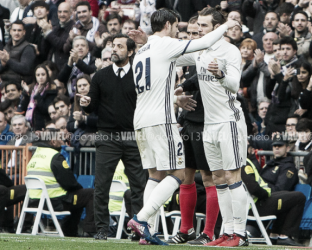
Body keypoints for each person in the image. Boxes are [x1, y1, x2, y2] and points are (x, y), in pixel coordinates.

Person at [126, 7, 242, 246]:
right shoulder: (169, 45)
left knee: (155, 175)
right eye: (180, 26)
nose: (192, 31)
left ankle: (147, 231)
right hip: (162, 119)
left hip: (141, 120)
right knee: (179, 174)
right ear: (168, 25)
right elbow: (206, 40)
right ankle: (142, 219)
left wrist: (177, 97)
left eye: (203, 25)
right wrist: (227, 24)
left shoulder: (143, 50)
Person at [173, 6, 248, 247]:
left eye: (204, 26)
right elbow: (174, 55)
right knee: (218, 178)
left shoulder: (230, 51)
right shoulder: (200, 51)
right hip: (210, 125)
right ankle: (226, 232)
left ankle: (241, 234)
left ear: (217, 28)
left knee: (232, 176)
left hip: (229, 122)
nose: (198, 30)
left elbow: (235, 84)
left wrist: (220, 75)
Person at [77, 34, 147, 241]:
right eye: (113, 46)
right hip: (107, 136)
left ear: (131, 51)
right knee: (102, 185)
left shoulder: (139, 75)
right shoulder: (100, 76)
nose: (114, 49)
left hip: (133, 136)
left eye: (119, 46)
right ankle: (101, 229)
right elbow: (92, 107)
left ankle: (138, 228)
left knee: (138, 186)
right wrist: (86, 103)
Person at [26, 130, 97, 237]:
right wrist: (79, 188)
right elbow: (69, 182)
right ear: (53, 142)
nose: (63, 141)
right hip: (55, 202)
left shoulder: (35, 155)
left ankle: (70, 231)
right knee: (90, 194)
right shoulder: (55, 156)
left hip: (34, 202)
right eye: (60, 139)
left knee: (78, 197)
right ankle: (90, 230)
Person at [241, 151, 305, 246]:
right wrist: (265, 194)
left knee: (287, 197)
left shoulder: (236, 162)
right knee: (299, 197)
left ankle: (274, 235)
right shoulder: (243, 162)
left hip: (251, 205)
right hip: (256, 205)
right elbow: (253, 188)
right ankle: (285, 235)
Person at [18, 64, 58, 131]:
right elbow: (23, 107)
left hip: (44, 124)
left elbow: (45, 109)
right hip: (31, 124)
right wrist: (27, 93)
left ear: (47, 75)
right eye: (38, 75)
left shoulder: (52, 89)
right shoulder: (31, 88)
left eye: (43, 74)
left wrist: (37, 95)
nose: (40, 77)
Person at [0, 20, 36, 85]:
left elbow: (26, 69)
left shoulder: (28, 48)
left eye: (19, 30)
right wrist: (3, 65)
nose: (16, 33)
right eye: (14, 30)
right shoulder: (6, 47)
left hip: (18, 85)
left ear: (24, 32)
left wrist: (8, 61)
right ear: (10, 32)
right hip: (4, 84)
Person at [43, 2, 75, 71]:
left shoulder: (74, 27)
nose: (62, 14)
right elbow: (45, 48)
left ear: (71, 13)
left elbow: (62, 45)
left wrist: (48, 33)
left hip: (65, 68)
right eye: (60, 12)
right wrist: (44, 33)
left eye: (65, 12)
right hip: (52, 67)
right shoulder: (55, 28)